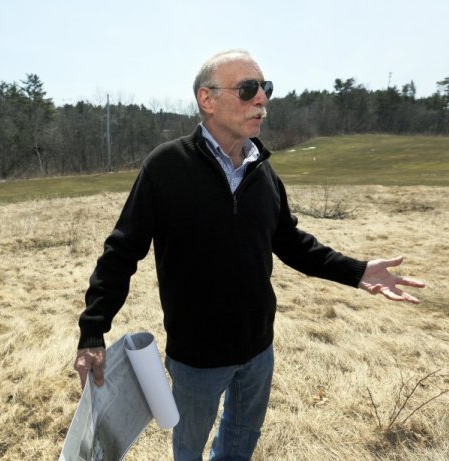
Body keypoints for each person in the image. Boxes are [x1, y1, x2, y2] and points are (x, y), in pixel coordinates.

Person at [73, 49, 425, 461]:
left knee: (240, 445)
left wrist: (358, 271)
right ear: (207, 99)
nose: (262, 99)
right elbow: (121, 251)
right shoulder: (166, 166)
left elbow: (292, 242)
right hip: (196, 359)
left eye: (265, 88)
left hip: (259, 350)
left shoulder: (264, 171)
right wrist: (93, 330)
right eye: (248, 89)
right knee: (189, 449)